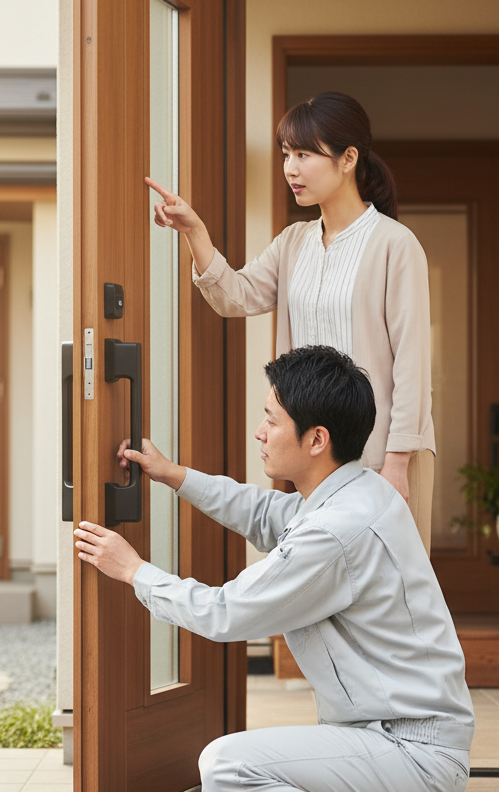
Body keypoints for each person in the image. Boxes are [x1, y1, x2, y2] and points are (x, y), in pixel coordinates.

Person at [75, 346, 474, 792]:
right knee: (269, 768)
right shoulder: (355, 493)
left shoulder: (336, 531)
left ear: (316, 439)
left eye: (271, 419)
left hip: (408, 751)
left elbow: (226, 613)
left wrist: (133, 572)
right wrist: (176, 475)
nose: (259, 431)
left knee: (227, 770)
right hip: (407, 740)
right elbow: (270, 514)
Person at [146, 91, 436, 552]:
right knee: (318, 587)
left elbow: (412, 364)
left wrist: (397, 461)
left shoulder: (394, 245)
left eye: (304, 154)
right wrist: (195, 232)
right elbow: (234, 296)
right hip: (312, 452)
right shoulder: (293, 242)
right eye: (286, 154)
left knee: (379, 595)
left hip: (380, 453)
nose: (290, 168)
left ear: (348, 159)